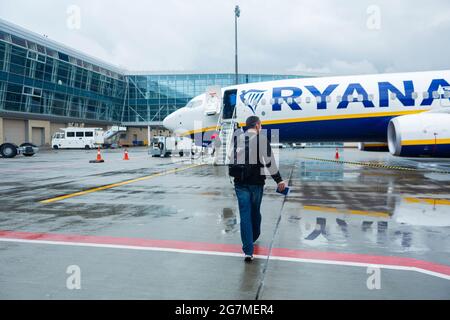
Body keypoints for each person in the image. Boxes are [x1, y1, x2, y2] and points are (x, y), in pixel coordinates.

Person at [228, 116, 286, 262]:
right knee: (255, 212)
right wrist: (279, 180)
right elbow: (270, 162)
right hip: (256, 184)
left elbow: (230, 157)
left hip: (239, 183)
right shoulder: (261, 139)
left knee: (245, 215)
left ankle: (248, 251)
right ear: (258, 125)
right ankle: (253, 237)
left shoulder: (237, 139)